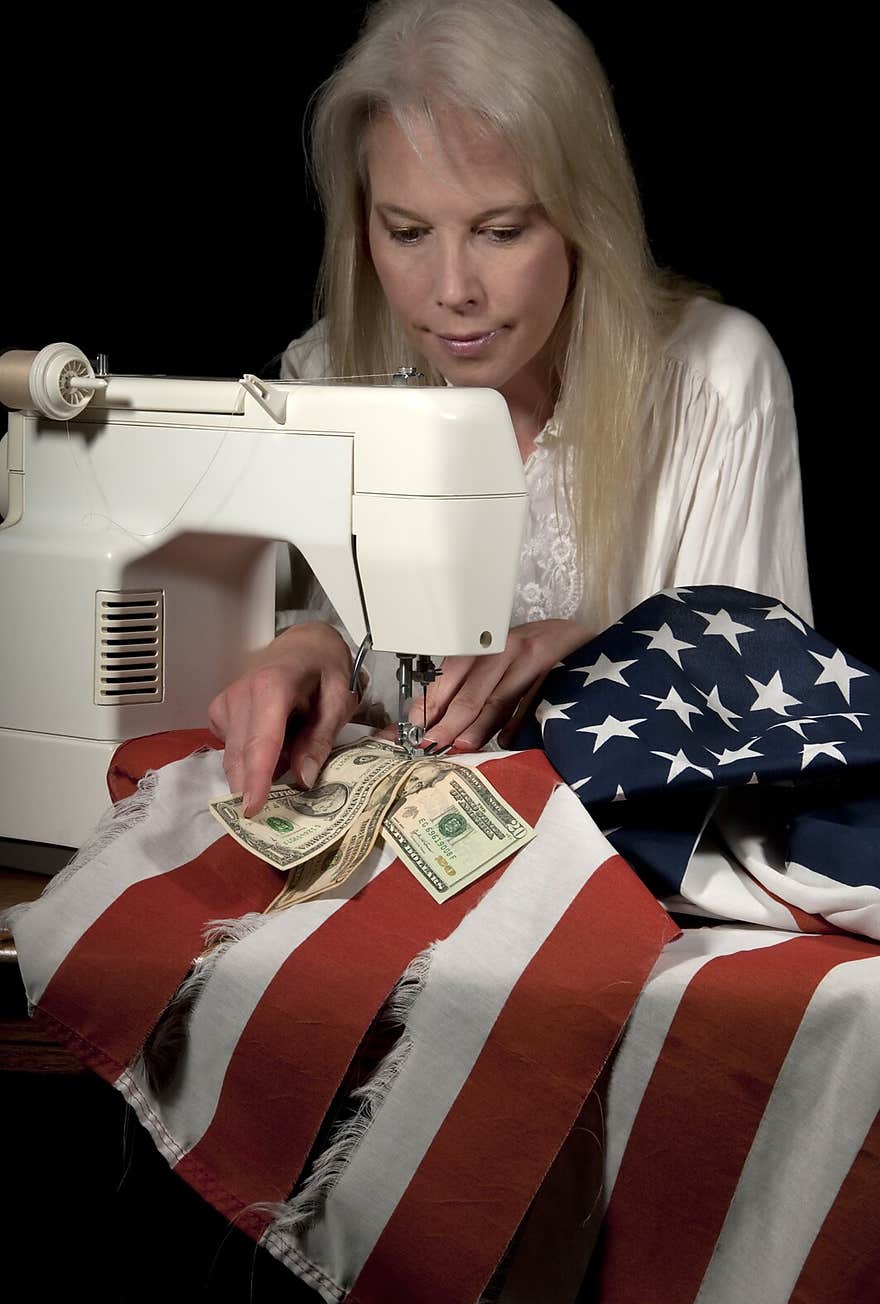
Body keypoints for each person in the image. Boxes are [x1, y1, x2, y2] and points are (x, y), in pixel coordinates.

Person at [208, 0, 812, 816]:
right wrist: (308, 646)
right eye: (408, 231)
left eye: (499, 230)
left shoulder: (716, 384)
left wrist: (606, 666)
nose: (453, 290)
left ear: (580, 219)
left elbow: (770, 735)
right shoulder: (324, 374)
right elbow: (287, 648)